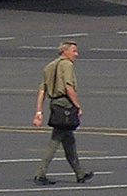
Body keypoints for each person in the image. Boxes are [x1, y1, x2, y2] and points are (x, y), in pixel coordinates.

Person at [32, 40, 92, 185]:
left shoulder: (49, 67)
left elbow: (42, 91)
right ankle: (40, 173)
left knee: (68, 140)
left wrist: (39, 112)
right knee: (56, 140)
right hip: (65, 104)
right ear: (65, 52)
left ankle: (80, 173)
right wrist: (77, 106)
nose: (76, 55)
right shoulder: (67, 65)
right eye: (74, 51)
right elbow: (68, 87)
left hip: (55, 104)